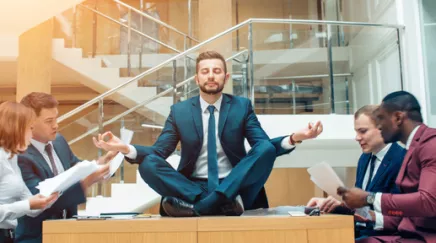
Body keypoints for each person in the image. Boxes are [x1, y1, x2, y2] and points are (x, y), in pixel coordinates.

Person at [93, 51, 323, 217]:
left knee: (263, 149)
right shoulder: (179, 111)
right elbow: (159, 152)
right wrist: (126, 149)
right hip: (192, 187)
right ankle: (214, 203)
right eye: (205, 71)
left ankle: (202, 208)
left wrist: (294, 138)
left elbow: (263, 146)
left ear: (226, 77)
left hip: (236, 185)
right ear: (197, 78)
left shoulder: (241, 107)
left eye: (216, 71)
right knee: (148, 164)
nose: (211, 76)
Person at [15, 92, 116, 243]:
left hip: (67, 233)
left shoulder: (59, 142)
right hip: (37, 237)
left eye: (56, 118)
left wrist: (103, 162)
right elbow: (39, 203)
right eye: (49, 121)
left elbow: (78, 168)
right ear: (30, 122)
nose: (56, 125)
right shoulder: (20, 156)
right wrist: (87, 182)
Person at [337, 91, 436, 243]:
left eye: (381, 118)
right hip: (407, 235)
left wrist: (369, 198)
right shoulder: (414, 147)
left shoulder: (430, 145)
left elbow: (428, 202)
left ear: (398, 118)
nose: (380, 126)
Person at [307, 105, 405, 238]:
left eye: (363, 131)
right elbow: (360, 206)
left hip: (386, 236)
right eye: (356, 132)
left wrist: (365, 214)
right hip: (360, 232)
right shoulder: (365, 159)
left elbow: (402, 219)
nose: (357, 138)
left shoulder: (403, 161)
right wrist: (338, 204)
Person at [0, 101, 58, 243]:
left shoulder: (12, 159)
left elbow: (30, 206)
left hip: (9, 236)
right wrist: (28, 205)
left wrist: (46, 200)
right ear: (16, 129)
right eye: (30, 129)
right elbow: (27, 205)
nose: (31, 135)